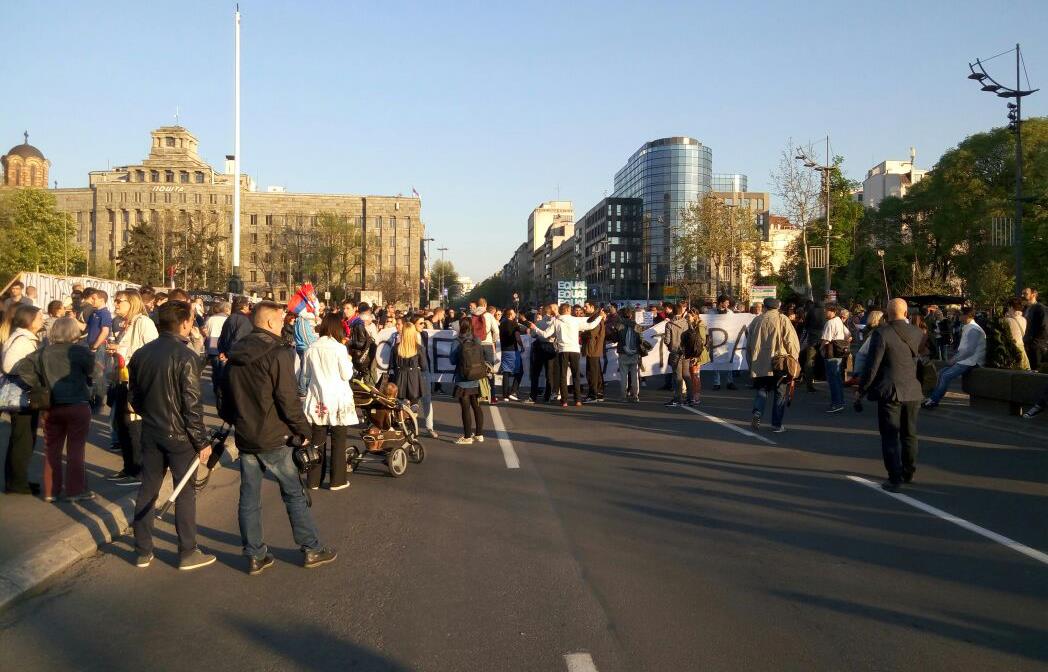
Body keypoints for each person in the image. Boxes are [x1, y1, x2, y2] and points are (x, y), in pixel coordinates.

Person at [222, 301, 336, 575]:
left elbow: (224, 399)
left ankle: (254, 554)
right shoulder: (278, 353)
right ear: (271, 322)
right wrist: (304, 431)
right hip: (275, 436)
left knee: (249, 497)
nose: (286, 323)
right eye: (282, 319)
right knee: (294, 494)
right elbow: (287, 398)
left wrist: (237, 421)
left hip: (247, 435)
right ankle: (311, 548)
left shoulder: (235, 354)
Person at [128, 301, 216, 570]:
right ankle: (187, 551)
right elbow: (191, 405)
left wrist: (151, 415)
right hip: (180, 438)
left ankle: (142, 549)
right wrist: (201, 442)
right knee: (185, 493)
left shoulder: (141, 354)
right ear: (185, 323)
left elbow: (134, 397)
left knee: (148, 488)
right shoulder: (186, 356)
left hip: (151, 431)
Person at [16, 317, 95, 502]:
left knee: (52, 448)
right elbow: (93, 372)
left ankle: (51, 491)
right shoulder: (81, 352)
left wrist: (38, 384)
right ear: (74, 332)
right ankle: (75, 490)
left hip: (51, 404)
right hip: (77, 403)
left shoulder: (43, 352)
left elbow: (23, 369)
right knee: (76, 449)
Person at [857, 298, 925, 492]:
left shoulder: (882, 333)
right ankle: (909, 471)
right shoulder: (918, 332)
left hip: (890, 391)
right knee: (910, 434)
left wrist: (862, 389)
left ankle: (894, 477)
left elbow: (872, 365)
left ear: (887, 313)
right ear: (905, 313)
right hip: (913, 390)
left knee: (890, 435)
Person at [105, 289, 159, 486]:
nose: (116, 304)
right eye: (115, 300)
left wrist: (121, 350)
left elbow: (152, 351)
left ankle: (138, 471)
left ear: (133, 303)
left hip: (135, 383)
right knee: (122, 425)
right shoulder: (126, 324)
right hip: (122, 380)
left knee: (133, 426)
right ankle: (129, 467)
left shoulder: (143, 322)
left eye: (120, 301)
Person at [300, 313, 356, 492]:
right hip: (338, 399)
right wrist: (349, 362)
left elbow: (305, 374)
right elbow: (346, 375)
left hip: (318, 398)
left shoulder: (311, 348)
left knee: (317, 440)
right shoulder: (339, 349)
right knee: (339, 441)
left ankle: (313, 480)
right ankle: (337, 480)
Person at [2, 305, 44, 495]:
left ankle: (17, 480)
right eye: (39, 317)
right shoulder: (23, 340)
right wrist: (31, 376)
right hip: (22, 396)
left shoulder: (23, 337)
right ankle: (17, 484)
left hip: (22, 395)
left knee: (22, 439)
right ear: (29, 319)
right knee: (23, 441)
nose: (42, 320)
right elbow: (9, 365)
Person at [530, 303, 604, 407]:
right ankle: (578, 399)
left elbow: (546, 334)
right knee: (576, 375)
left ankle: (564, 400)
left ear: (561, 310)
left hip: (562, 350)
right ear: (568, 310)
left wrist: (535, 328)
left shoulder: (556, 321)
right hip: (574, 350)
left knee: (563, 375)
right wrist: (599, 316)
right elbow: (590, 325)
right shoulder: (575, 320)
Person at [747, 298, 800, 433]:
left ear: (764, 307)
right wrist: (794, 359)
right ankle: (776, 424)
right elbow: (790, 341)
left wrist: (750, 364)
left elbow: (748, 345)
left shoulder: (756, 321)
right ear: (778, 307)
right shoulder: (782, 319)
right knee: (780, 393)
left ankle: (757, 413)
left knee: (762, 390)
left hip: (760, 363)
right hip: (779, 363)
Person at [923, 306, 986, 409]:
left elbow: (969, 350)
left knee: (945, 375)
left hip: (971, 362)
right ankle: (933, 398)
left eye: (960, 314)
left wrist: (955, 359)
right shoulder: (969, 327)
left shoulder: (973, 329)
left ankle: (933, 400)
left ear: (966, 316)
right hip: (968, 360)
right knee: (942, 373)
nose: (958, 316)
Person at [450, 318, 486, 444]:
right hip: (476, 377)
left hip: (463, 378)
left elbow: (452, 361)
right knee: (476, 406)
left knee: (465, 408)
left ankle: (467, 437)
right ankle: (479, 434)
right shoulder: (476, 339)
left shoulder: (457, 341)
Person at [409, 314, 437, 437]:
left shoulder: (424, 335)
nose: (423, 326)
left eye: (423, 323)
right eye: (420, 323)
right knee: (412, 400)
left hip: (424, 371)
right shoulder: (408, 337)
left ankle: (429, 427)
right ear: (413, 324)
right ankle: (411, 428)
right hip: (412, 371)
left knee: (427, 399)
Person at [609, 306, 645, 402]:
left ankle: (623, 396)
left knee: (623, 375)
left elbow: (614, 339)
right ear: (631, 315)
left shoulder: (619, 326)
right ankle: (635, 396)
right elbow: (641, 340)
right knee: (634, 375)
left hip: (623, 352)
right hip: (635, 353)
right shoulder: (637, 326)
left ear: (622, 315)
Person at [526, 305, 560, 404]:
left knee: (536, 373)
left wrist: (535, 328)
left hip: (540, 346)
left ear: (544, 312)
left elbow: (533, 335)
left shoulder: (539, 323)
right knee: (549, 374)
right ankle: (547, 396)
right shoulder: (556, 322)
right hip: (551, 347)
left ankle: (533, 396)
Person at [820, 304, 850, 413]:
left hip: (831, 351)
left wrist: (821, 348)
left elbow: (826, 340)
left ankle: (836, 403)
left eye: (826, 310)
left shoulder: (830, 323)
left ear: (832, 311)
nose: (824, 312)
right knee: (837, 378)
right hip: (840, 351)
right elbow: (849, 335)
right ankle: (840, 401)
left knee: (832, 379)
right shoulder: (839, 321)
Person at [390, 321, 428, 408]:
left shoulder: (396, 348)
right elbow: (424, 366)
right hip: (414, 380)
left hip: (399, 379)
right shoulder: (419, 348)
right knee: (414, 406)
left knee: (400, 406)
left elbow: (392, 364)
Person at [471, 298, 500, 403]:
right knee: (489, 371)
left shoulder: (472, 315)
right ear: (485, 305)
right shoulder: (489, 316)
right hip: (487, 345)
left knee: (476, 370)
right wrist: (493, 340)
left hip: (476, 345)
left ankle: (477, 395)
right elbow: (496, 331)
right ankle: (492, 397)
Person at [663, 303, 692, 407]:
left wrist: (670, 345)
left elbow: (667, 340)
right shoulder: (687, 322)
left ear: (673, 311)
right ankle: (690, 398)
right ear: (681, 311)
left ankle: (678, 398)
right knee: (686, 375)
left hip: (675, 352)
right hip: (686, 352)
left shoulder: (669, 324)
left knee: (677, 376)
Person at [709, 296, 737, 390]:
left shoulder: (730, 313)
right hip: (716, 341)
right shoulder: (711, 312)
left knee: (729, 360)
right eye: (727, 302)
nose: (728, 304)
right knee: (716, 362)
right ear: (721, 303)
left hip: (728, 340)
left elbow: (734, 324)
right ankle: (717, 383)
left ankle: (730, 382)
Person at [581, 302, 607, 403]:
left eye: (586, 306)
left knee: (592, 372)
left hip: (592, 348)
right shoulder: (595, 316)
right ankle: (598, 393)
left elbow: (591, 333)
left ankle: (593, 395)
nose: (584, 308)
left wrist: (582, 332)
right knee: (596, 372)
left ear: (592, 307)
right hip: (593, 348)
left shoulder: (596, 318)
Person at [347, 302, 378, 383]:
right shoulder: (358, 325)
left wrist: (349, 342)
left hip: (365, 358)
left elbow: (373, 342)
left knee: (368, 379)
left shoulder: (369, 326)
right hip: (362, 358)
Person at [499, 308, 525, 401]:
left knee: (505, 372)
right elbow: (517, 337)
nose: (515, 315)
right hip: (513, 350)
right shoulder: (514, 324)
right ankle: (513, 391)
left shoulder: (502, 324)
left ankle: (505, 394)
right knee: (519, 371)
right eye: (514, 313)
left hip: (504, 349)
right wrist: (522, 345)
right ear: (511, 314)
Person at [1023, 286, 1046, 370]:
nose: (1023, 295)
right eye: (1023, 293)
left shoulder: (1041, 309)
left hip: (1036, 347)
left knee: (1035, 371)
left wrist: (1035, 343)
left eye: (1025, 293)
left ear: (1034, 294)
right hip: (1027, 345)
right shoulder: (1026, 309)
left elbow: (1044, 327)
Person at [1004, 297, 1030, 371]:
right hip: (1021, 349)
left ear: (1011, 307)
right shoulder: (1024, 319)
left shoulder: (1007, 320)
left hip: (1012, 351)